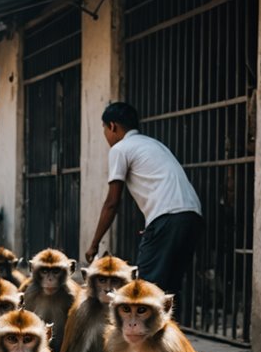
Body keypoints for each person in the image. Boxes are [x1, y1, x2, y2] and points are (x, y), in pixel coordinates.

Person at [85, 102, 202, 296]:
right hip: (192, 216)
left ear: (112, 126)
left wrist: (94, 244)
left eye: (104, 129)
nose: (105, 135)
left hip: (168, 218)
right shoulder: (153, 144)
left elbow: (112, 202)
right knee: (169, 292)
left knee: (143, 292)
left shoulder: (120, 149)